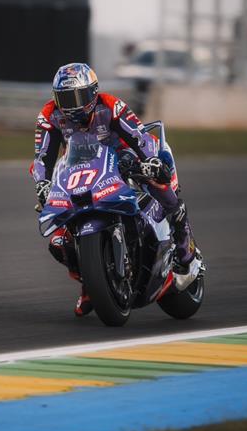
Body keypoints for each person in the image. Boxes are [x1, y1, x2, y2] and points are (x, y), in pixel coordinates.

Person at [31, 62, 196, 316]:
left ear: (92, 92)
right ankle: (91, 284)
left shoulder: (110, 105)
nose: (72, 105)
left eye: (78, 97)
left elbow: (139, 137)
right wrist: (42, 183)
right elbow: (42, 157)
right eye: (65, 98)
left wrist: (151, 161)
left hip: (124, 156)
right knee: (58, 241)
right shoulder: (49, 115)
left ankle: (186, 258)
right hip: (80, 167)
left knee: (161, 186)